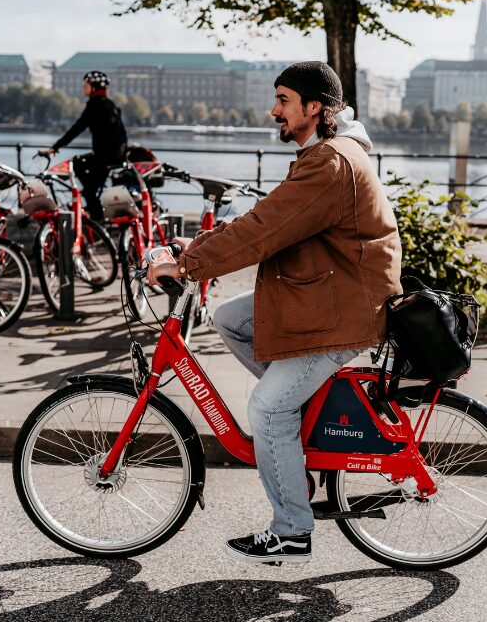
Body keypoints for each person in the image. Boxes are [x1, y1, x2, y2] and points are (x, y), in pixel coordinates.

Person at [146, 61, 402, 565]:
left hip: (346, 310)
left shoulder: (330, 162)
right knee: (231, 319)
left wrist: (189, 265)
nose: (274, 109)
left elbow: (264, 229)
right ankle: (294, 432)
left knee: (267, 407)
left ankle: (291, 530)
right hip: (333, 295)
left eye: (284, 100)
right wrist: (194, 247)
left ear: (316, 108)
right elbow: (270, 219)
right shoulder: (324, 154)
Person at [40, 70, 127, 222]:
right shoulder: (109, 104)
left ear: (93, 87)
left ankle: (98, 221)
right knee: (79, 165)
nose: (83, 89)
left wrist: (55, 147)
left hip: (105, 157)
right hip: (115, 155)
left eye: (85, 86)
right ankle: (91, 205)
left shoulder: (96, 105)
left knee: (86, 187)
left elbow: (77, 128)